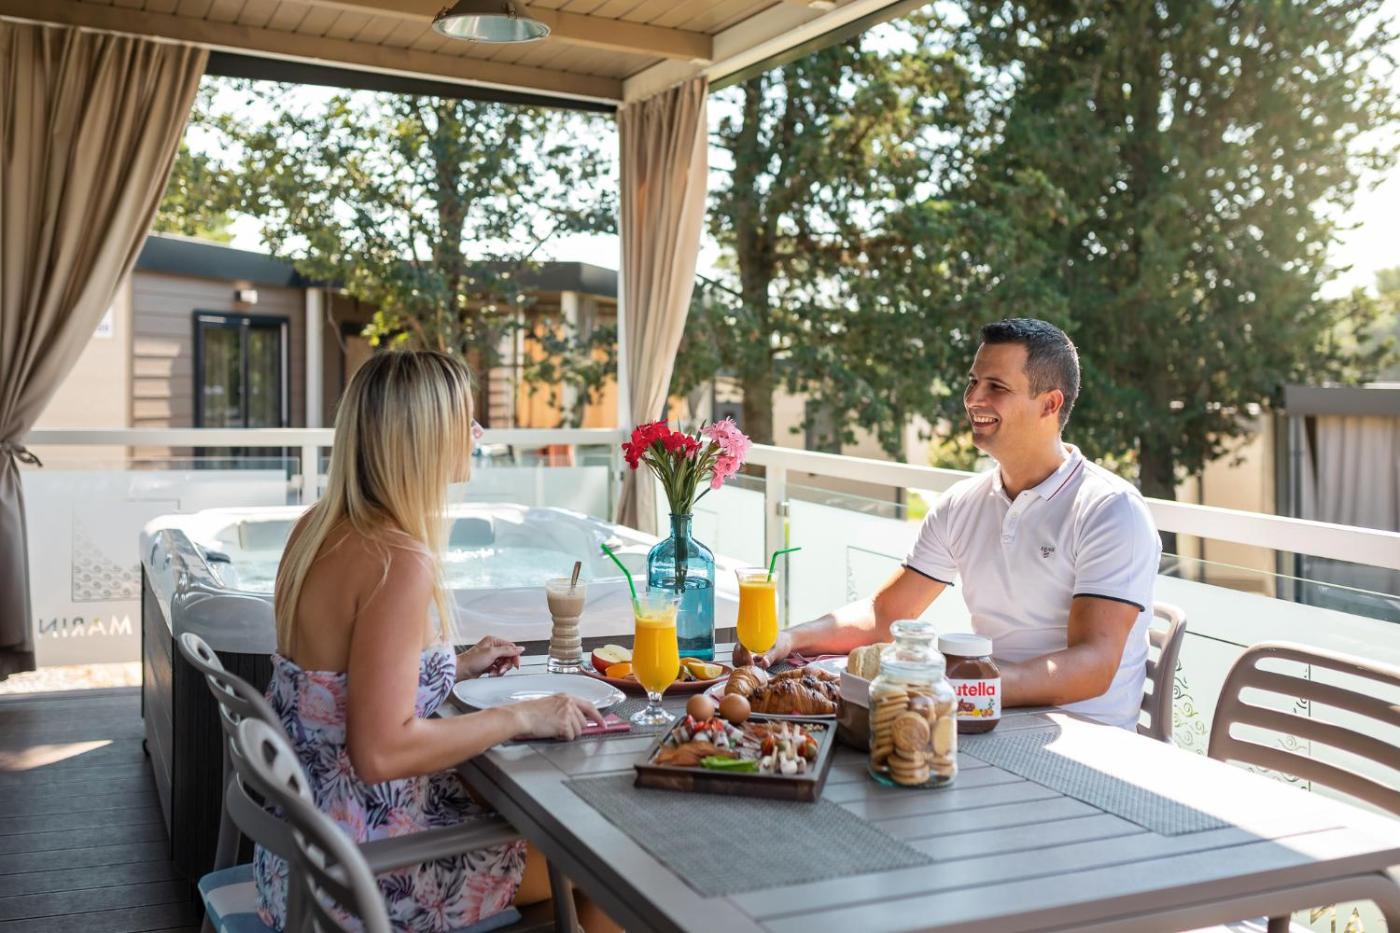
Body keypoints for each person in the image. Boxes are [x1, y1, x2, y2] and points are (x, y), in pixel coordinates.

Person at [253, 349, 613, 932]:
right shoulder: (396, 559)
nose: (477, 434)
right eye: (466, 421)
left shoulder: (316, 527)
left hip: (300, 853)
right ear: (426, 436)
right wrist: (522, 716)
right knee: (601, 870)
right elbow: (381, 753)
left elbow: (336, 681)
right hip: (361, 877)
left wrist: (455, 667)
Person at [736, 318, 1161, 729]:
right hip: (986, 714)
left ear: (1050, 404)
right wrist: (789, 639)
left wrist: (955, 688)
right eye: (973, 382)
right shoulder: (963, 503)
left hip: (1085, 734)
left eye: (996, 387)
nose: (974, 398)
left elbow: (1092, 665)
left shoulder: (1110, 509)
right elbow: (884, 615)